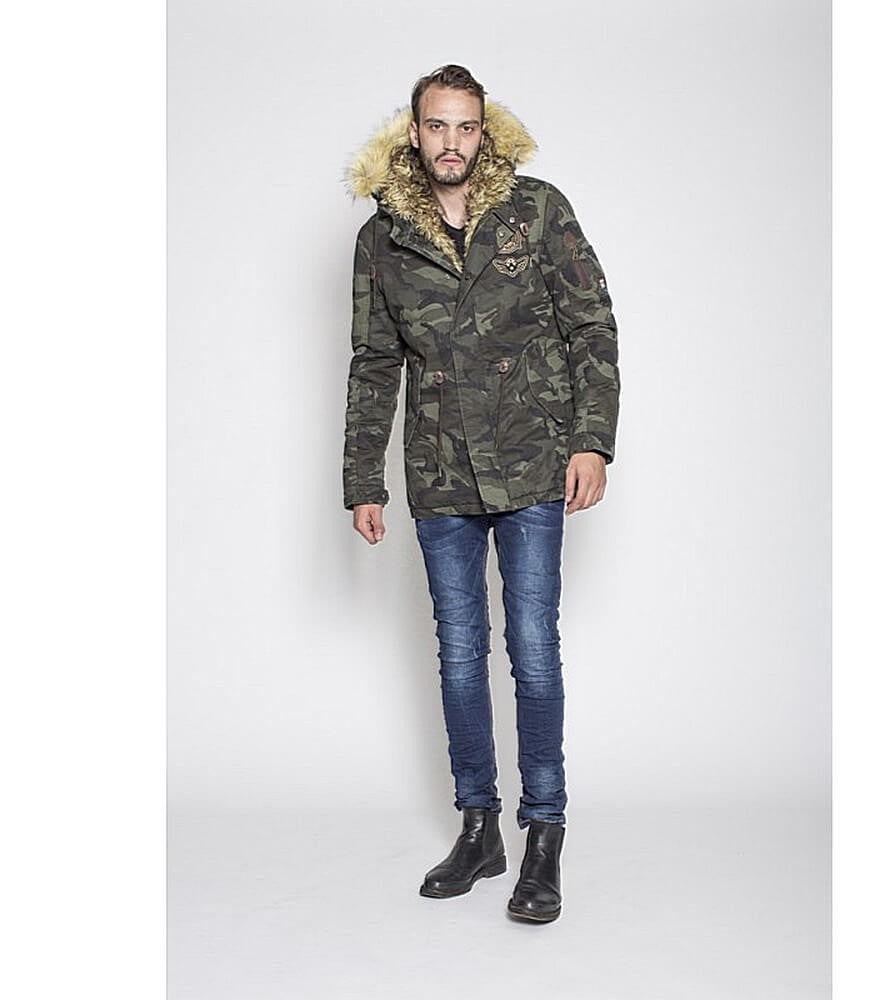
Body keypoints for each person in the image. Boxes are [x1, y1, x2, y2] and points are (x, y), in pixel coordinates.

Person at [342, 64, 620, 923]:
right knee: (460, 653)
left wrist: (591, 440)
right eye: (437, 126)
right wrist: (362, 479)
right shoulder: (383, 237)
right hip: (439, 470)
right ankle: (479, 827)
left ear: (483, 132)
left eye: (466, 126)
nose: (451, 142)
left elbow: (590, 324)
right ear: (414, 131)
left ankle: (544, 834)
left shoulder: (536, 210)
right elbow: (374, 362)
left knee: (532, 648)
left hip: (533, 460)